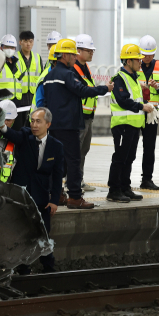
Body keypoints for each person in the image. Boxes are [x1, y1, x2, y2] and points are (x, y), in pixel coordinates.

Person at [43, 39, 113, 209]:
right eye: (73, 54)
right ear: (65, 55)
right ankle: (75, 197)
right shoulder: (68, 74)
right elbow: (83, 91)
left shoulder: (49, 76)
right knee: (73, 161)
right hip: (68, 125)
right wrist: (105, 89)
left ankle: (57, 194)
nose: (75, 57)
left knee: (56, 161)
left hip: (52, 125)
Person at [0, 107, 63, 274]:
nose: (34, 125)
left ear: (48, 124)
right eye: (32, 121)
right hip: (21, 196)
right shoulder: (25, 136)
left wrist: (54, 200)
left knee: (43, 233)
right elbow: (11, 134)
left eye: (38, 121)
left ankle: (48, 267)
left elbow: (57, 176)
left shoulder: (56, 146)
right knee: (20, 233)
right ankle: (23, 268)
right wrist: (1, 126)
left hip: (42, 197)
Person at [107, 44, 154, 203]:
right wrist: (142, 107)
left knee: (130, 157)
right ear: (128, 61)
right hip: (122, 126)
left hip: (133, 125)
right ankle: (114, 190)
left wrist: (148, 106)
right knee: (120, 158)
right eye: (137, 59)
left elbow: (135, 99)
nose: (140, 62)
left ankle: (125, 187)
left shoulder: (134, 79)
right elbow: (123, 101)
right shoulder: (119, 78)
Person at [137, 35, 159, 190]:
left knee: (149, 148)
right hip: (136, 111)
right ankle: (123, 181)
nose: (146, 58)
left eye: (150, 55)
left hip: (152, 113)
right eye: (144, 54)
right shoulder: (133, 64)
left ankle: (147, 179)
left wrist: (157, 87)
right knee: (129, 147)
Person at [73, 34, 98, 193]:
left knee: (83, 150)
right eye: (88, 50)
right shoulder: (74, 68)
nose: (91, 53)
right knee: (76, 151)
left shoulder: (85, 67)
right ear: (79, 50)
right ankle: (73, 181)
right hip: (78, 116)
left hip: (87, 117)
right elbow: (83, 90)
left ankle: (78, 179)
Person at [16, 31, 43, 129]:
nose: (28, 44)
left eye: (31, 41)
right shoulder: (15, 58)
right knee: (19, 127)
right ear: (20, 42)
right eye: (26, 41)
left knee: (33, 127)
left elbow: (41, 78)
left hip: (33, 98)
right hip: (19, 98)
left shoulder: (38, 58)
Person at [0, 34, 22, 104]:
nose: (10, 49)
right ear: (1, 47)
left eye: (12, 47)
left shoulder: (18, 62)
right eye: (7, 47)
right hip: (1, 101)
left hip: (17, 100)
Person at [0, 100, 18, 183]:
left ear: (14, 120)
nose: (4, 122)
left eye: (8, 120)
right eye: (2, 119)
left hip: (5, 189)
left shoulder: (15, 141)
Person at [31, 44, 58, 114]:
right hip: (40, 119)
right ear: (55, 63)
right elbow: (40, 104)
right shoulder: (45, 78)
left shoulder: (60, 75)